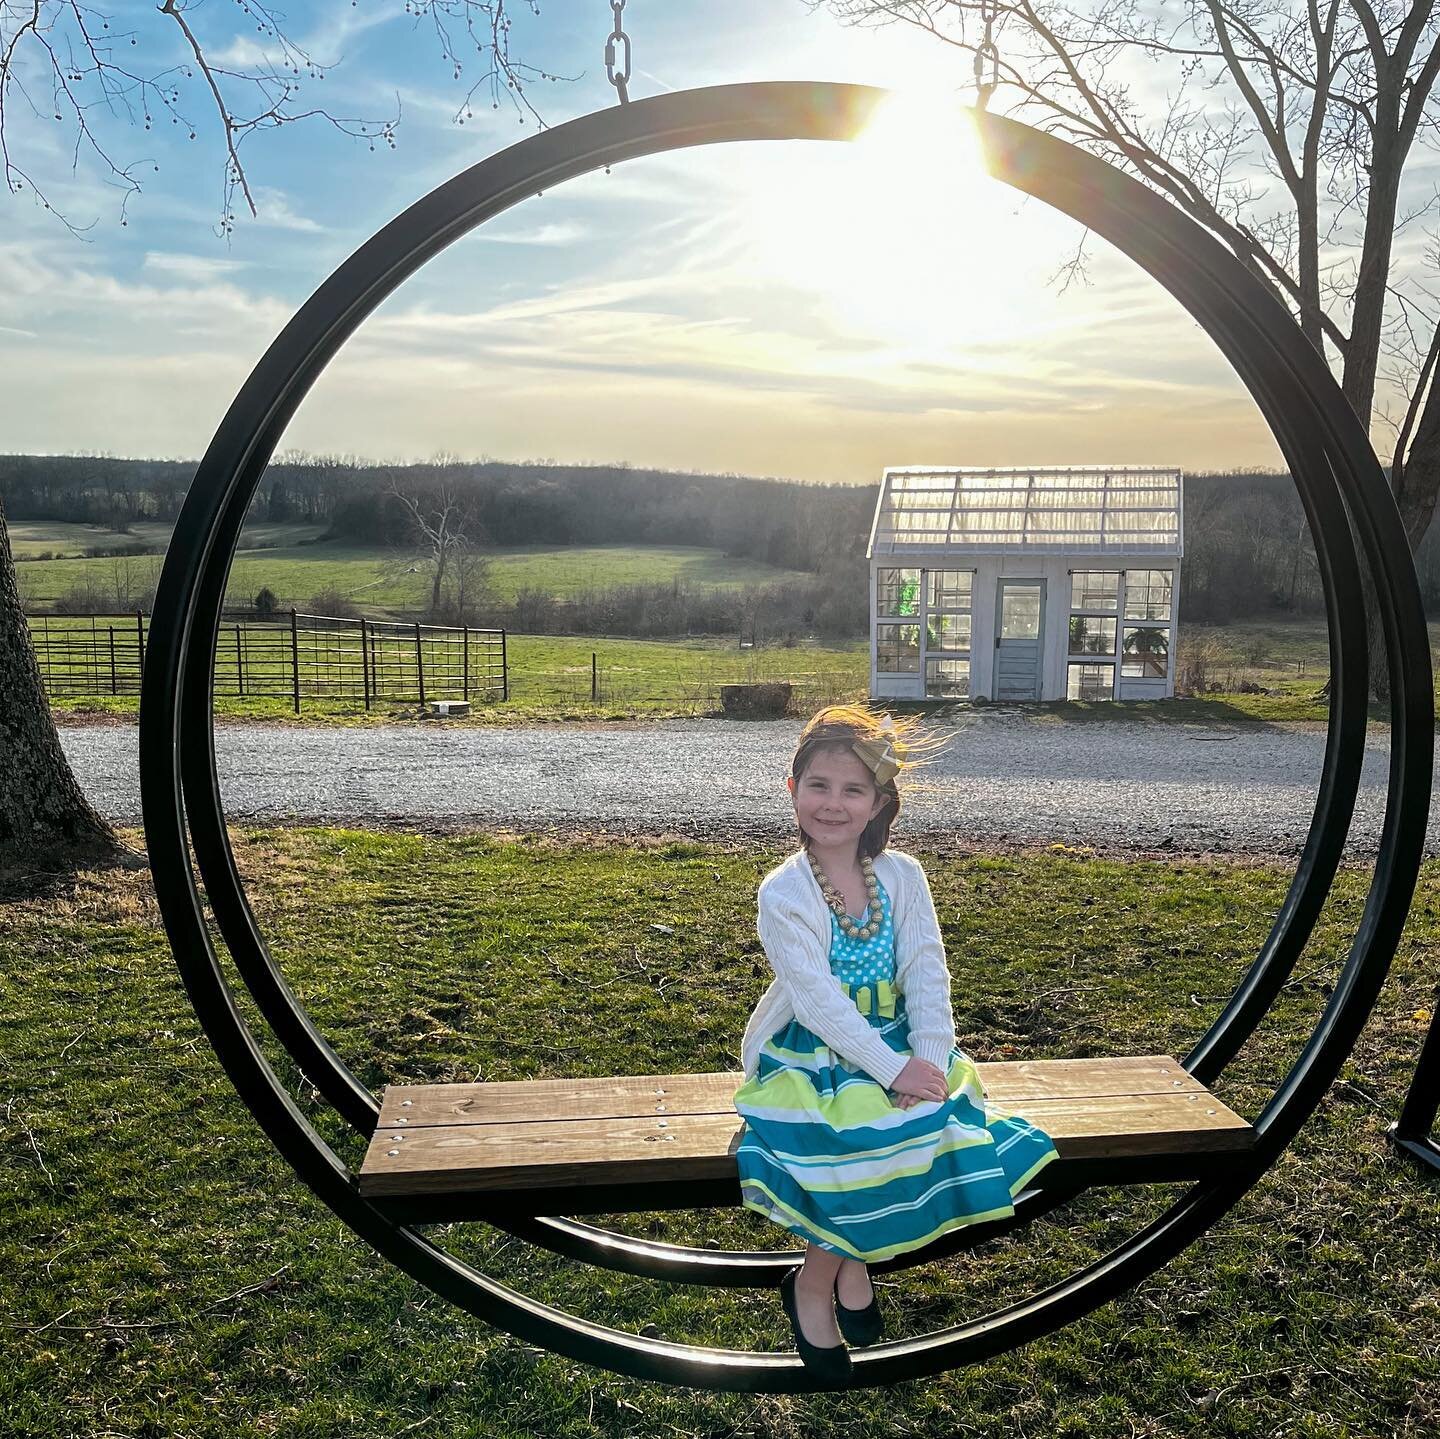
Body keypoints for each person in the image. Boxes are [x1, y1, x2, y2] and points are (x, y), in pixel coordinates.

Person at [732, 704, 1059, 1376]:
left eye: (853, 790)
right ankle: (813, 1283)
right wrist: (889, 1070)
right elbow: (820, 1003)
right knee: (861, 1138)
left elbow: (927, 972)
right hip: (815, 1050)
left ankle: (849, 1260)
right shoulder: (785, 891)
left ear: (879, 803)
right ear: (793, 790)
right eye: (818, 785)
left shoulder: (903, 876)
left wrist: (930, 1062)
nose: (833, 803)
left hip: (900, 1042)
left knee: (935, 1125)